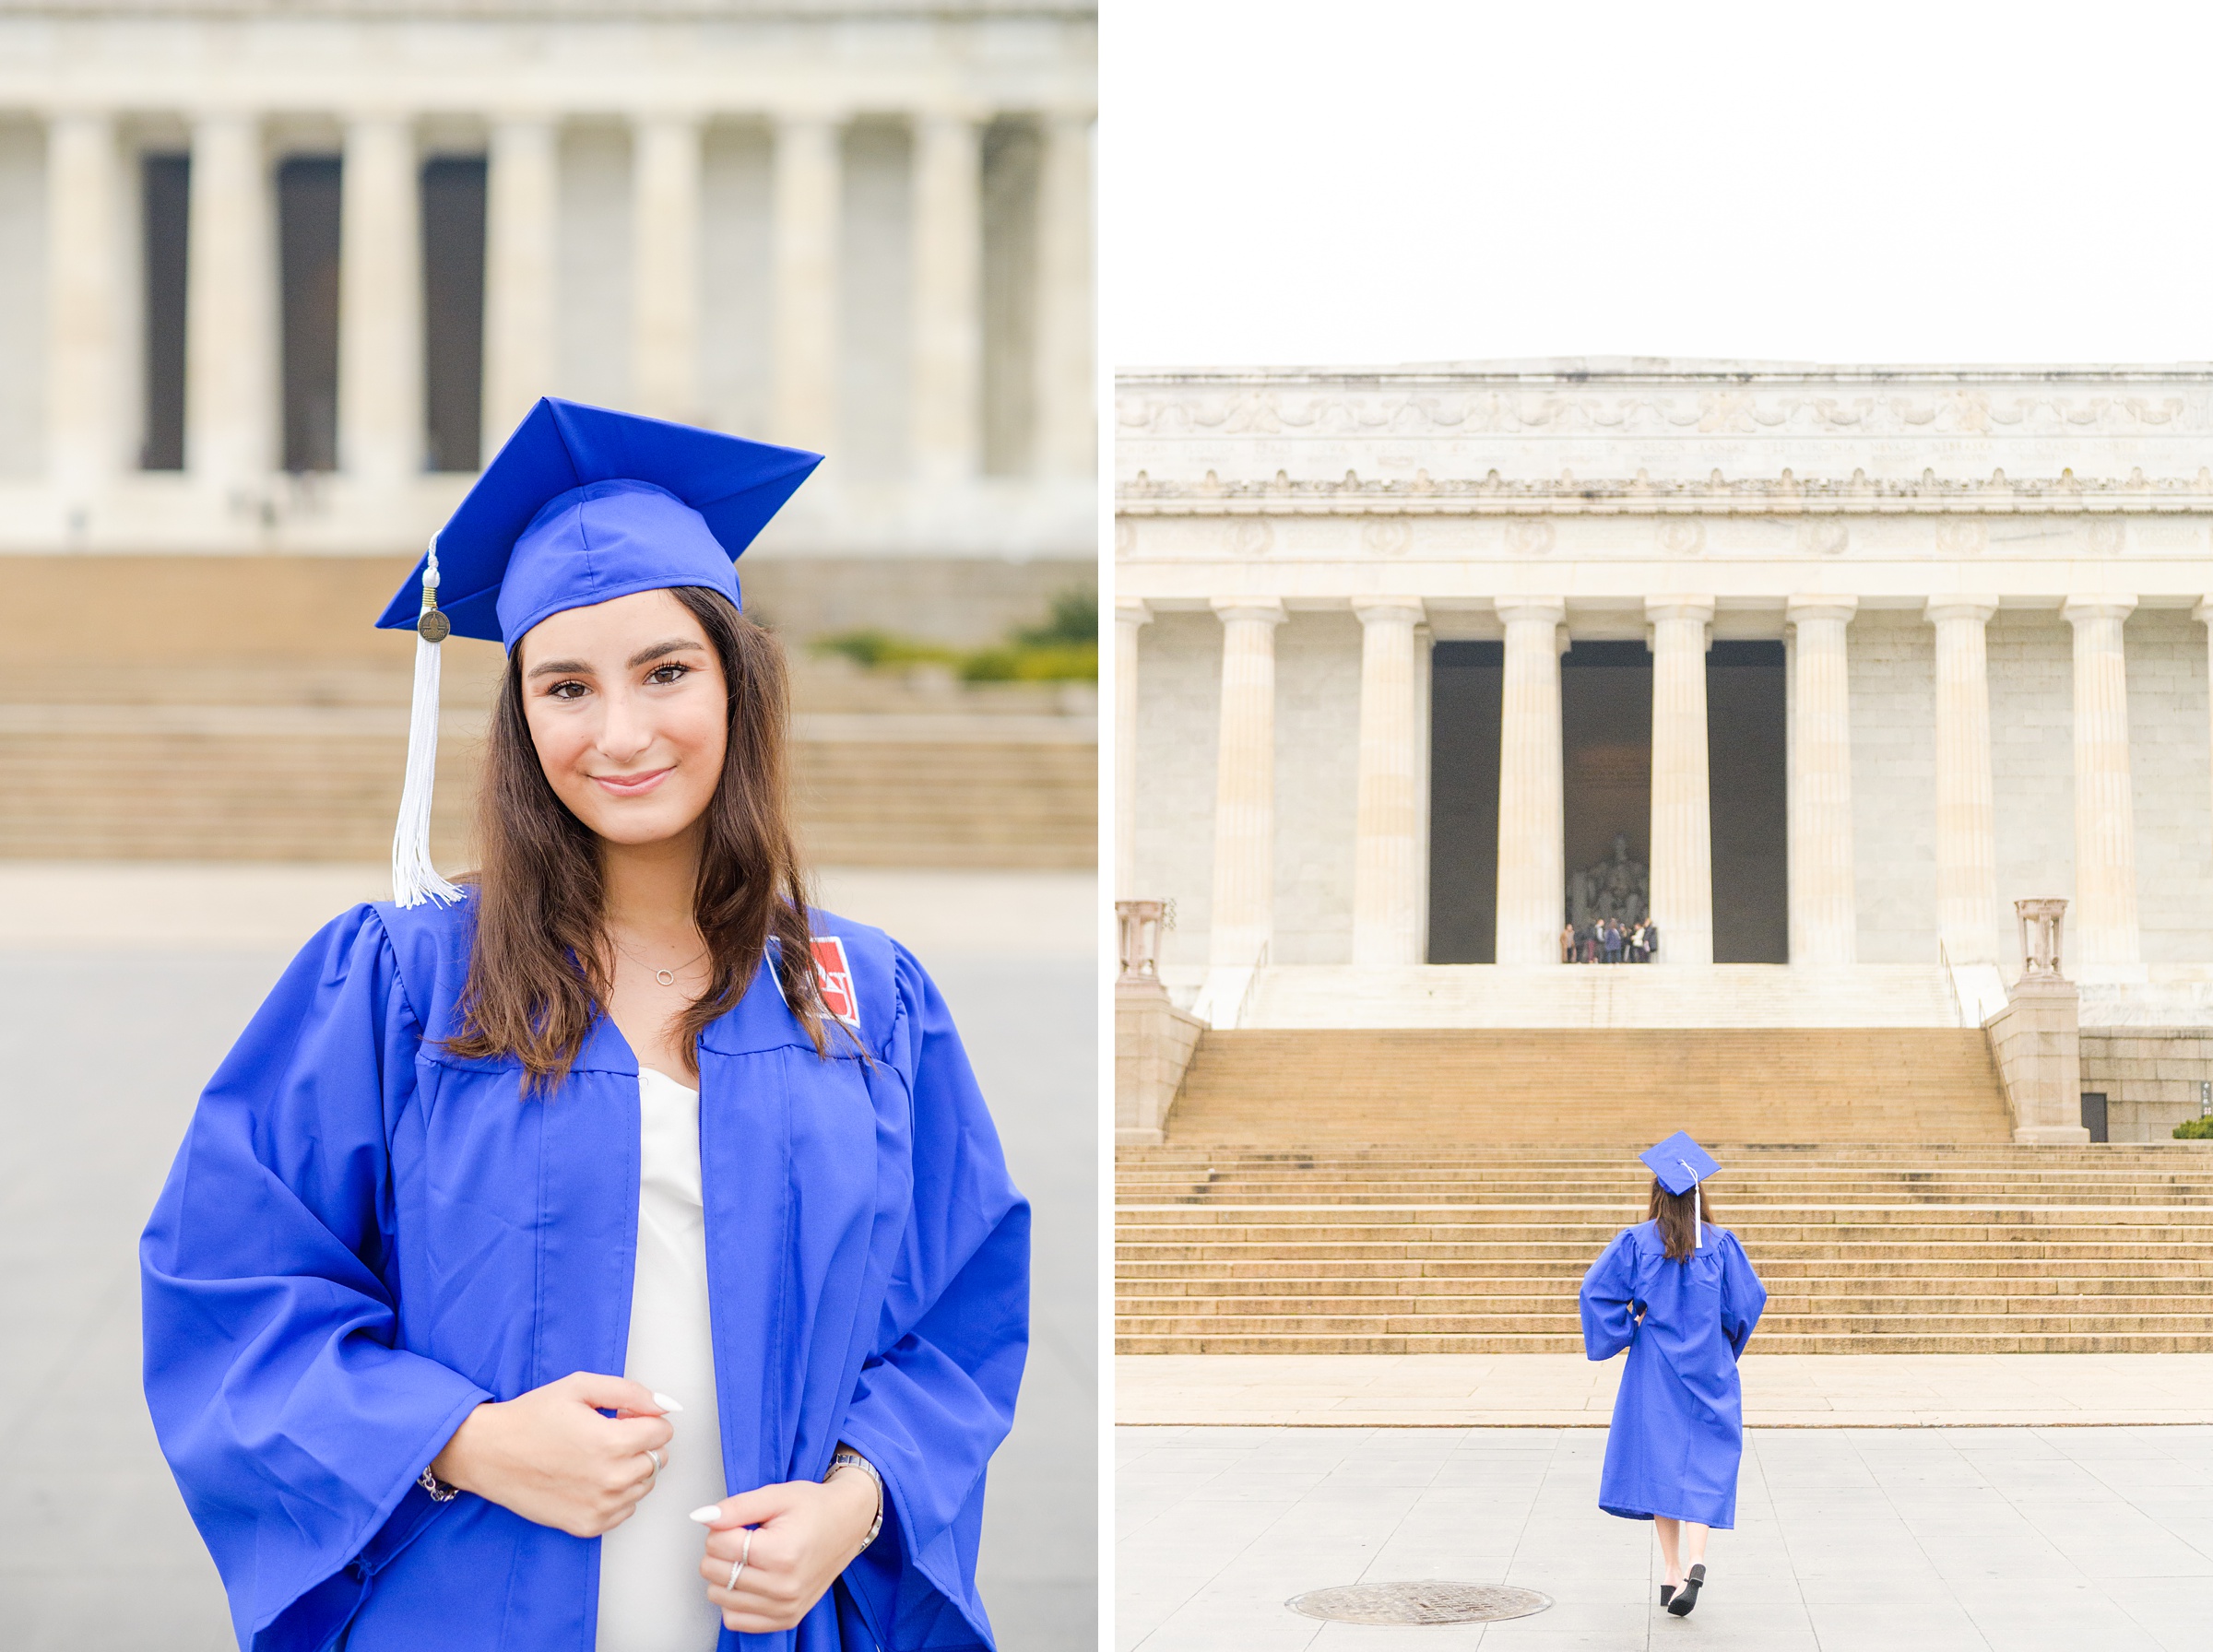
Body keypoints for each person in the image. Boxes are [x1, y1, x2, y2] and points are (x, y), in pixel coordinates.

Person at [139, 398, 1030, 1652]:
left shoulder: (862, 997)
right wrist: (464, 1441)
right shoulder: (400, 982)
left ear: (738, 685)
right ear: (523, 720)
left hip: (767, 1622)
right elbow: (230, 1282)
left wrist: (855, 1504)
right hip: (466, 1610)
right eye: (567, 687)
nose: (620, 734)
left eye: (667, 672)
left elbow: (957, 1312)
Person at [1578, 1132, 1766, 1619]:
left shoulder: (1637, 1242)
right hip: (1710, 1368)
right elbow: (1748, 1304)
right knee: (1704, 1461)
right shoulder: (1722, 1245)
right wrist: (1724, 1345)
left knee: (1663, 1464)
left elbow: (1594, 1292)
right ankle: (1699, 1560)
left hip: (1656, 1372)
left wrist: (1627, 1328)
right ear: (1701, 1195)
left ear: (1658, 1195)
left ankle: (1671, 1570)